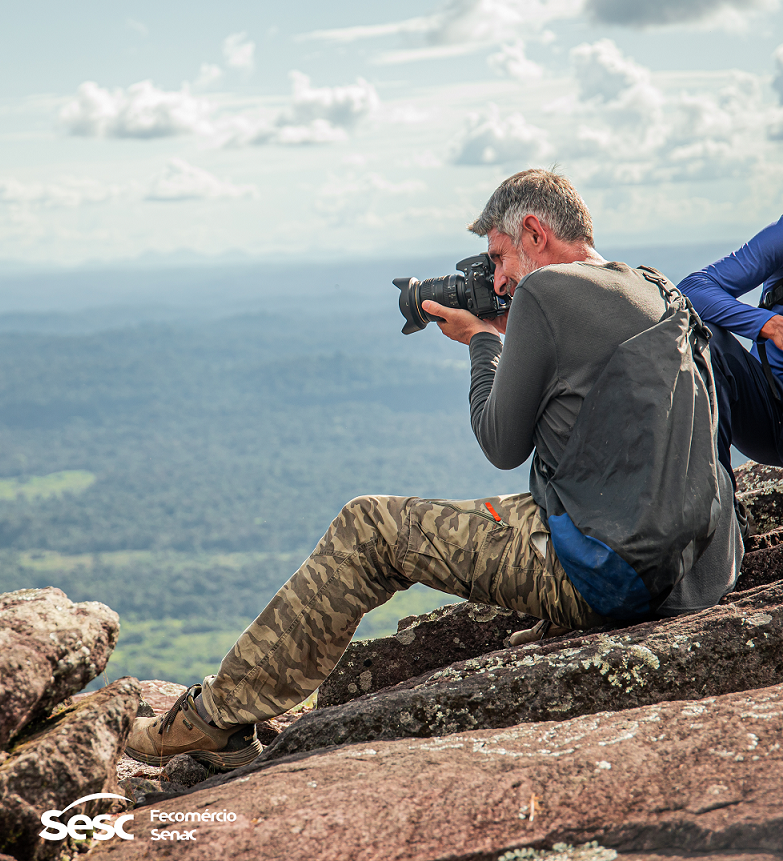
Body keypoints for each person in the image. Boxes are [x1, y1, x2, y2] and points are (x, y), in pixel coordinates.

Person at [124, 168, 742, 771]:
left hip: (612, 578)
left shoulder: (546, 294)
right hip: (695, 573)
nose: (499, 280)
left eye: (499, 256)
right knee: (520, 508)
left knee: (368, 527)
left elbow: (500, 443)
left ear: (534, 232)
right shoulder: (654, 290)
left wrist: (482, 342)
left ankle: (212, 719)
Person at [677, 217, 783, 473]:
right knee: (705, 338)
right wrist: (769, 324)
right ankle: (717, 500)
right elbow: (692, 289)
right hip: (771, 412)